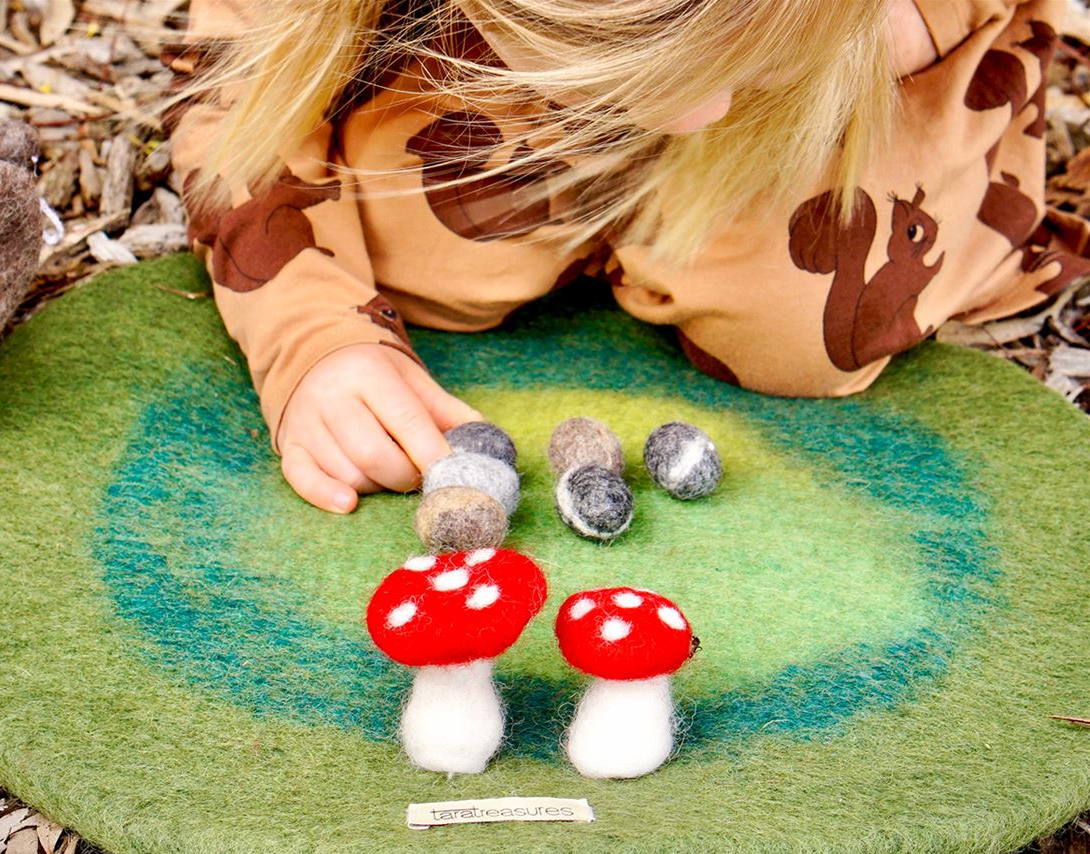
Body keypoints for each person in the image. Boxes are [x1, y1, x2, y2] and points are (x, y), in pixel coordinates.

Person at [159, 0, 1090, 514]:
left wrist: (882, 34)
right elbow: (239, 104)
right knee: (433, 254)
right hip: (470, 59)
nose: (702, 117)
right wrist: (313, 335)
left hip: (857, 49)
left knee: (807, 329)